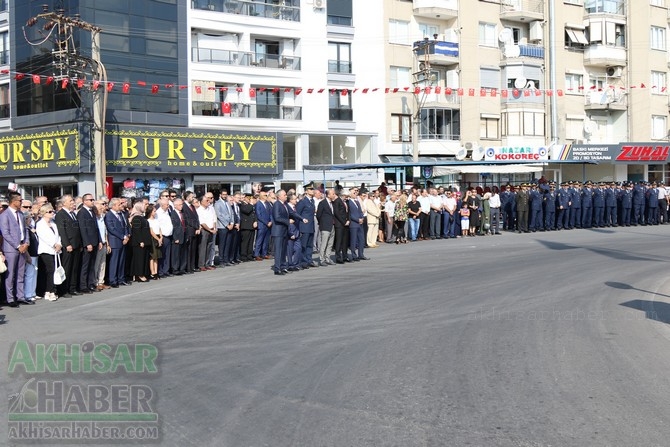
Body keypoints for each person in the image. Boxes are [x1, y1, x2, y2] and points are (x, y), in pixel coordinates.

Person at [1, 192, 32, 306]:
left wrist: (26, 243)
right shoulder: (5, 215)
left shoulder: (21, 214)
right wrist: (18, 246)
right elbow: (5, 233)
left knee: (20, 273)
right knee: (10, 274)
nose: (21, 202)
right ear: (13, 201)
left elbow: (26, 229)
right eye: (19, 200)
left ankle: (20, 296)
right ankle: (10, 298)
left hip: (23, 246)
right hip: (11, 248)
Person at [54, 194, 83, 297]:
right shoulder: (60, 214)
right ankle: (64, 290)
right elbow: (62, 231)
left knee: (74, 268)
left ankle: (72, 288)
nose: (73, 202)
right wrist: (67, 244)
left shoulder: (73, 214)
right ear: (64, 203)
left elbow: (77, 230)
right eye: (70, 201)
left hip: (76, 244)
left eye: (72, 201)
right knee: (67, 268)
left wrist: (80, 243)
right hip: (68, 245)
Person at [271, 189, 305, 275]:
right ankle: (277, 268)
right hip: (278, 231)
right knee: (278, 251)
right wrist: (287, 221)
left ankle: (282, 267)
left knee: (283, 251)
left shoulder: (285, 204)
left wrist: (302, 218)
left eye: (286, 195)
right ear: (279, 196)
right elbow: (277, 217)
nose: (286, 196)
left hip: (284, 231)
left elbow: (292, 213)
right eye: (284, 195)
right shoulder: (277, 204)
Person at [35, 204, 61, 301]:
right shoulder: (40, 224)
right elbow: (43, 237)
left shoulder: (53, 223)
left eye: (52, 211)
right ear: (43, 213)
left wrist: (59, 244)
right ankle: (50, 291)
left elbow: (58, 235)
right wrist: (54, 244)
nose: (52, 213)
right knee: (50, 270)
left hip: (55, 250)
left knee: (54, 270)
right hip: (45, 250)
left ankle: (51, 290)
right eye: (49, 212)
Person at [78, 193, 102, 294]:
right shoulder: (82, 212)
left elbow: (96, 228)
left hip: (95, 241)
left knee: (92, 264)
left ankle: (90, 283)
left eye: (93, 200)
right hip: (88, 243)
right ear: (84, 201)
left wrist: (100, 240)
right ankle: (83, 286)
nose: (92, 201)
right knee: (85, 265)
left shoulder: (92, 212)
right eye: (90, 200)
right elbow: (83, 229)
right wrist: (87, 243)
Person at [104, 198, 131, 288]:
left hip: (123, 240)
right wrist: (122, 236)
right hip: (115, 241)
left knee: (122, 261)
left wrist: (127, 236)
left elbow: (125, 226)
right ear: (114, 205)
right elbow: (112, 229)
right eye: (119, 204)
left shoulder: (121, 214)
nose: (121, 206)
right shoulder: (109, 215)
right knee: (114, 261)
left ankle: (121, 278)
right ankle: (113, 280)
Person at [296, 182, 318, 268]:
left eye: (313, 189)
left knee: (309, 245)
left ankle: (309, 260)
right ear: (306, 191)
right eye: (311, 189)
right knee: (303, 245)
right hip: (304, 227)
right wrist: (301, 223)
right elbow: (297, 214)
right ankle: (303, 261)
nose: (313, 191)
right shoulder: (303, 202)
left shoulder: (312, 201)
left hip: (311, 226)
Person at [129, 202, 151, 282]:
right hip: (139, 243)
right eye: (144, 205)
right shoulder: (136, 218)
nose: (145, 207)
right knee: (139, 259)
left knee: (143, 258)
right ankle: (139, 274)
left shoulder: (142, 217)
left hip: (145, 242)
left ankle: (143, 273)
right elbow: (136, 231)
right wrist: (140, 241)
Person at [316, 188, 336, 266]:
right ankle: (322, 259)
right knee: (324, 243)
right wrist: (322, 223)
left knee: (330, 243)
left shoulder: (332, 203)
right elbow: (318, 215)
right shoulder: (322, 203)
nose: (334, 195)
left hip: (332, 225)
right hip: (325, 226)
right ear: (328, 195)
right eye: (333, 194)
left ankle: (328, 257)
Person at [238, 193, 258, 262]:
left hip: (252, 226)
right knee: (245, 242)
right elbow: (247, 211)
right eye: (249, 198)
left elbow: (254, 213)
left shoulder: (251, 206)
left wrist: (255, 221)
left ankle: (249, 255)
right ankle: (243, 256)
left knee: (251, 242)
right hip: (245, 226)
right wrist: (251, 204)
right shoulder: (242, 205)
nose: (250, 199)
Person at [146, 204, 162, 280]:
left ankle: (156, 271)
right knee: (152, 256)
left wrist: (161, 237)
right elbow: (151, 232)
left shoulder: (156, 220)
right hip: (153, 238)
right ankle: (152, 272)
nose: (155, 212)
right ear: (150, 212)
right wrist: (158, 239)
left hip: (158, 236)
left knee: (157, 257)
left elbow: (159, 229)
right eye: (154, 211)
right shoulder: (148, 221)